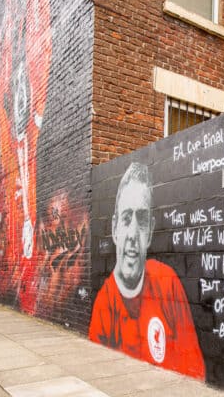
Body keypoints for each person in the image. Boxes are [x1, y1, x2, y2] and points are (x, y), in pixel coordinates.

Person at [89, 162, 205, 380]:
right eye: (126, 219)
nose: (133, 233)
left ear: (150, 231)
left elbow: (195, 370)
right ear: (115, 229)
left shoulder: (167, 282)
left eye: (141, 220)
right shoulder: (104, 310)